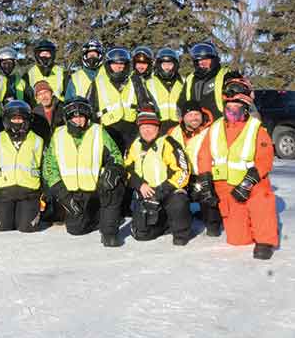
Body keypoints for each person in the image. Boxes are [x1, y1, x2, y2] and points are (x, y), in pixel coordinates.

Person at [196, 75, 278, 259]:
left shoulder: (256, 128)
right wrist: (205, 181)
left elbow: (265, 159)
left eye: (237, 107)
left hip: (253, 184)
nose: (232, 111)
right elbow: (204, 155)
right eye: (229, 107)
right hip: (226, 189)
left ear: (245, 107)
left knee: (262, 202)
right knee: (237, 240)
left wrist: (247, 183)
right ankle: (247, 227)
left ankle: (265, 240)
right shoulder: (215, 127)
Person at [42, 97, 126, 247]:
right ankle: (98, 216)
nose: (79, 120)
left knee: (115, 184)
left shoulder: (98, 131)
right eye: (74, 117)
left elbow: (116, 155)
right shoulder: (58, 135)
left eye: (82, 116)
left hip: (97, 188)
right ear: (67, 118)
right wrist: (64, 197)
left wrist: (113, 170)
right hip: (72, 192)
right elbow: (49, 168)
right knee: (75, 229)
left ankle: (109, 231)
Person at [125, 106, 192, 245]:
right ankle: (164, 222)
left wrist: (162, 191)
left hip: (168, 192)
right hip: (146, 193)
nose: (146, 130)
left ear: (158, 127)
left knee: (179, 202)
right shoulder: (135, 145)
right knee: (141, 235)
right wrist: (139, 184)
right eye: (143, 127)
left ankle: (180, 232)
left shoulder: (169, 143)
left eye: (150, 126)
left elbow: (183, 171)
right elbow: (126, 168)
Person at [0, 100, 44, 233]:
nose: (17, 122)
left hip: (29, 193)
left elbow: (45, 168)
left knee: (27, 228)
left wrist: (45, 196)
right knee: (2, 227)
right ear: (7, 120)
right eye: (14, 118)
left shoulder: (38, 140)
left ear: (26, 120)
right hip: (3, 193)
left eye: (20, 119)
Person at [167, 100, 218, 235]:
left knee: (208, 196)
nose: (194, 118)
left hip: (204, 176)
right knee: (174, 198)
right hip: (181, 176)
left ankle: (212, 222)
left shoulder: (211, 131)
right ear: (183, 118)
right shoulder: (173, 132)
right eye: (190, 115)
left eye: (197, 114)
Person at [88, 47, 139, 151]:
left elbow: (145, 104)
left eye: (122, 63)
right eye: (115, 63)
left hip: (132, 129)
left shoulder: (135, 81)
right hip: (108, 129)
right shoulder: (98, 83)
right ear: (108, 65)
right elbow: (90, 109)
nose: (119, 66)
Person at [182, 41, 230, 121]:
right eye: (199, 60)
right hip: (197, 127)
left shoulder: (226, 75)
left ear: (213, 59)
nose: (202, 63)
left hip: (220, 125)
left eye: (206, 59)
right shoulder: (191, 79)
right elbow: (181, 104)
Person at [146, 47, 184, 133]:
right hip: (158, 125)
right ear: (159, 65)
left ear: (175, 65)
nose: (167, 67)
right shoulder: (149, 83)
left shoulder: (183, 82)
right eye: (164, 64)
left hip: (178, 125)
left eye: (170, 64)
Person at [23, 39, 67, 106]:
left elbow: (68, 96)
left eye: (47, 54)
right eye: (42, 54)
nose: (45, 57)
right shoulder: (28, 74)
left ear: (52, 55)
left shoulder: (62, 73)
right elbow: (26, 98)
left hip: (58, 110)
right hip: (37, 111)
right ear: (37, 55)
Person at [29, 80, 64, 146]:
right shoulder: (34, 114)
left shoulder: (63, 109)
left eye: (46, 92)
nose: (44, 97)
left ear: (52, 93)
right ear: (37, 98)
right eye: (40, 94)